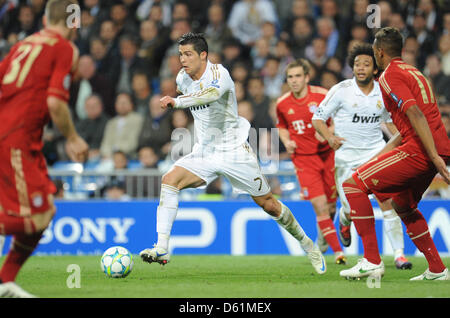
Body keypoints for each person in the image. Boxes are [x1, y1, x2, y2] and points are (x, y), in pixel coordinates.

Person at [139, 33, 327, 275]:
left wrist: (178, 102)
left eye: (188, 54)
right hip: (205, 150)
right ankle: (162, 247)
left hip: (234, 150)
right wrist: (181, 99)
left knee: (268, 205)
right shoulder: (182, 79)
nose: (183, 60)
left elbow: (211, 95)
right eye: (180, 54)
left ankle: (307, 244)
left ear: (203, 55)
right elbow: (193, 100)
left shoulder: (220, 74)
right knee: (169, 180)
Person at [339, 27, 450, 281]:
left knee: (352, 186)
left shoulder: (390, 76)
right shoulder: (415, 72)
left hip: (420, 150)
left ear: (379, 52)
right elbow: (410, 125)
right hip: (434, 146)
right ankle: (436, 269)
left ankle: (371, 261)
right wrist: (378, 158)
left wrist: (433, 157)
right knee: (403, 205)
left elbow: (415, 114)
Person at [0, 0, 88, 297]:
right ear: (73, 23)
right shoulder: (64, 49)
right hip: (15, 140)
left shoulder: (22, 44)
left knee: (45, 211)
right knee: (35, 217)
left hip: (19, 140)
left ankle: (5, 282)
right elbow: (55, 101)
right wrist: (73, 138)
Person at [312, 43, 412, 270]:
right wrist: (329, 138)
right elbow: (317, 119)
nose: (361, 68)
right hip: (346, 157)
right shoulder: (341, 90)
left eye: (366, 64)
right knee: (351, 209)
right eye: (357, 64)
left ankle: (399, 255)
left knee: (387, 202)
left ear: (375, 69)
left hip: (376, 154)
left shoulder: (383, 92)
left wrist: (401, 139)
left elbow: (388, 121)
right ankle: (345, 220)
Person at [276, 58, 345, 265]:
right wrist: (287, 141)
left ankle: (323, 239)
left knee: (332, 207)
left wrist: (327, 133)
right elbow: (281, 126)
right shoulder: (282, 103)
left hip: (328, 157)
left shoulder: (323, 96)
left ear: (306, 77)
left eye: (298, 76)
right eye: (290, 77)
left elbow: (338, 121)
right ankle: (339, 253)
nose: (294, 81)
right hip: (304, 161)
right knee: (320, 205)